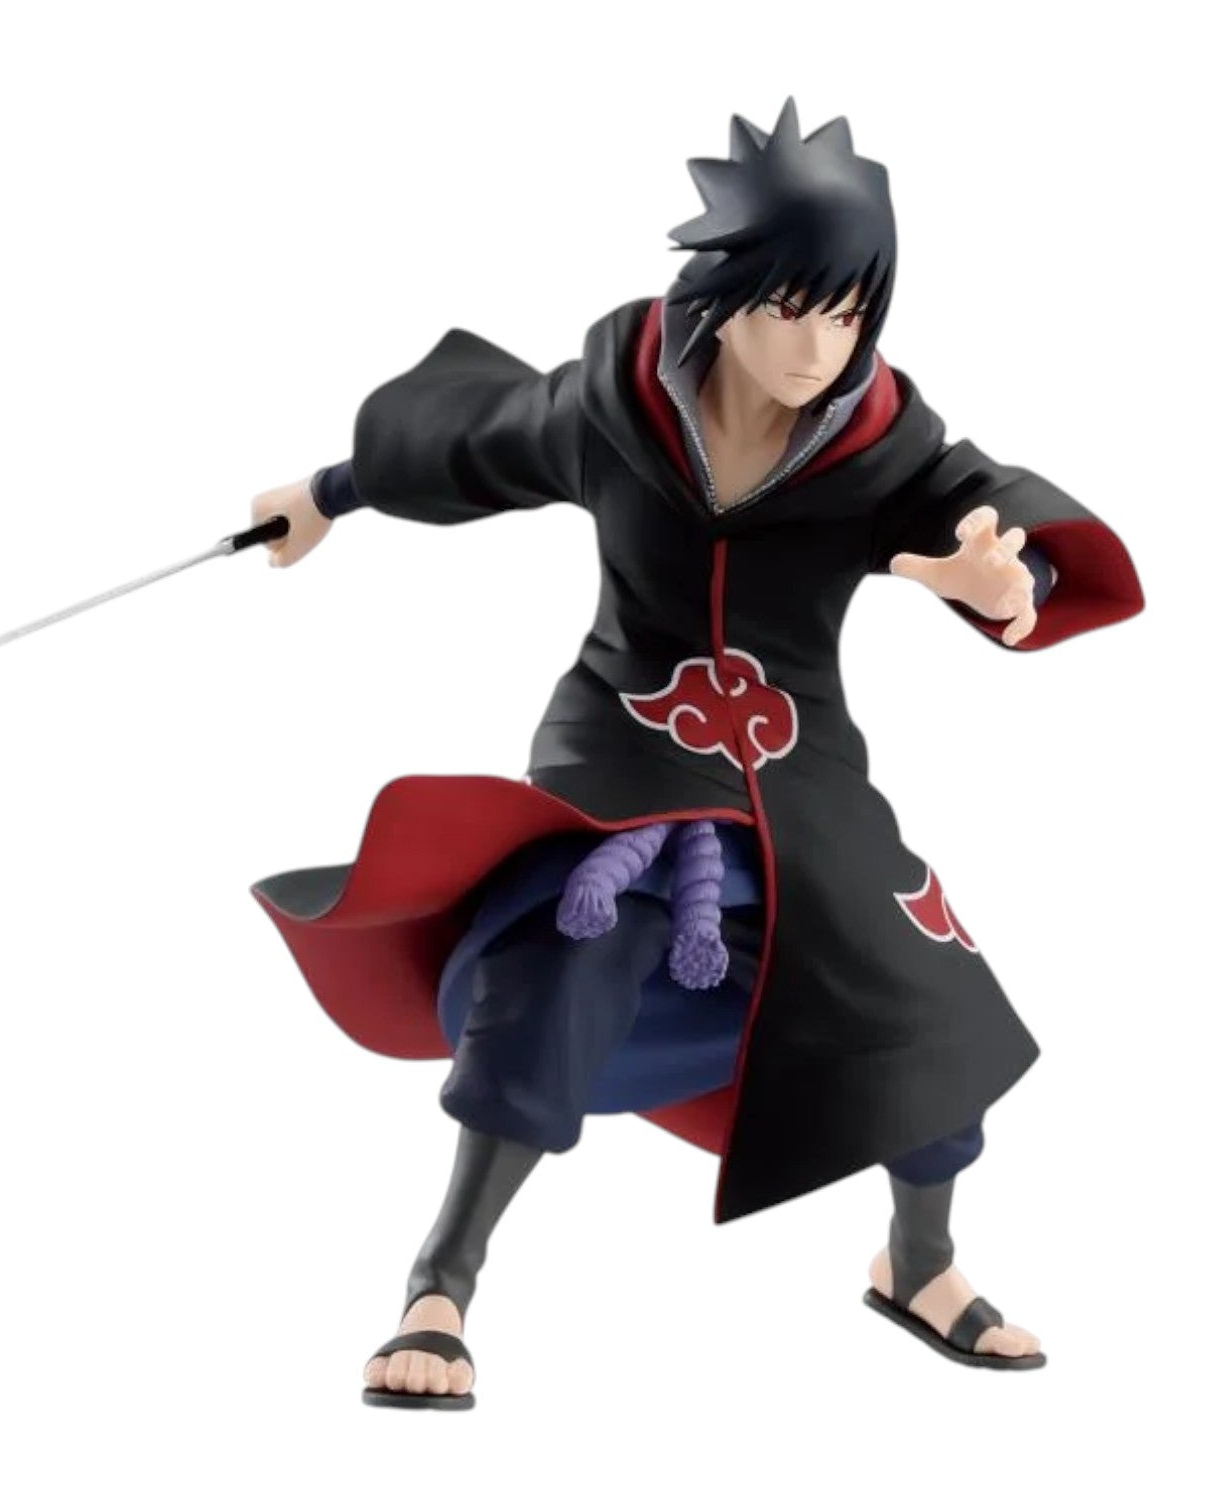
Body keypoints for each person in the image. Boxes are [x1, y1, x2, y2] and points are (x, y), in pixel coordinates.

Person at [247, 99, 1144, 1409]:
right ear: (726, 295)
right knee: (565, 954)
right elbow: (473, 442)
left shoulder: (881, 439)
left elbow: (972, 506)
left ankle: (919, 1262)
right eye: (790, 306)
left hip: (796, 767)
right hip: (623, 737)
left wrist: (1009, 579)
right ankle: (441, 1279)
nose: (817, 346)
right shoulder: (614, 405)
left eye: (849, 312)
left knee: (922, 988)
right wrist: (325, 496)